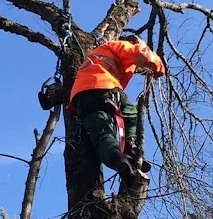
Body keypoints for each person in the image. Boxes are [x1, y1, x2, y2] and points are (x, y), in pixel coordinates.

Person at [69, 32, 165, 180]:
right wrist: (158, 66)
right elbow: (140, 54)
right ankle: (130, 147)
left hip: (82, 99)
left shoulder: (93, 58)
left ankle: (118, 160)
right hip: (105, 86)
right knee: (131, 114)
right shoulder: (118, 45)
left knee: (102, 133)